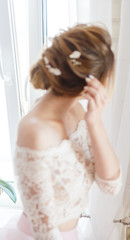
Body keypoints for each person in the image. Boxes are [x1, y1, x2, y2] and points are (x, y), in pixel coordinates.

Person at [1, 24, 122, 239]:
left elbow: (111, 185)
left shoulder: (78, 112)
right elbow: (44, 231)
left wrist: (95, 122)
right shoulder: (35, 130)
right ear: (92, 80)